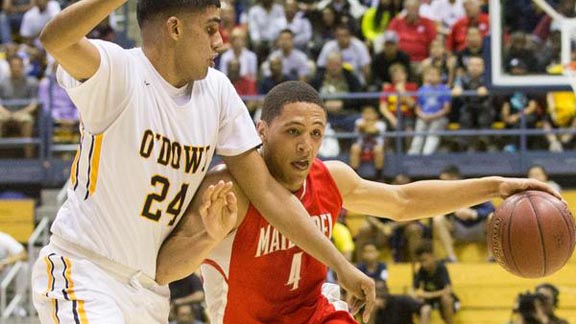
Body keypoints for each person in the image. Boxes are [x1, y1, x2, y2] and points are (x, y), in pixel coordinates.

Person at [31, 1, 375, 323]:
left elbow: (268, 193)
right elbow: (56, 39)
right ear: (175, 28)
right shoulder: (120, 72)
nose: (220, 41)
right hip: (87, 269)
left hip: (149, 290)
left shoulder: (218, 92)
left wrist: (339, 264)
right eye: (211, 29)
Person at [157, 81, 560, 323]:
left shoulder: (330, 178)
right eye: (293, 131)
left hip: (316, 313)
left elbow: (403, 201)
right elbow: (168, 270)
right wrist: (206, 238)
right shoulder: (229, 191)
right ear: (261, 130)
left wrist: (495, 186)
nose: (306, 145)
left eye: (316, 133)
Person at [413, 242, 458, 324]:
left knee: (446, 299)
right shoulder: (421, 270)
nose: (423, 264)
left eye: (425, 260)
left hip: (444, 301)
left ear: (432, 256)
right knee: (422, 306)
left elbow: (448, 290)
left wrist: (429, 294)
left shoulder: (441, 268)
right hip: (432, 300)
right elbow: (415, 291)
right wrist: (422, 295)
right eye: (421, 261)